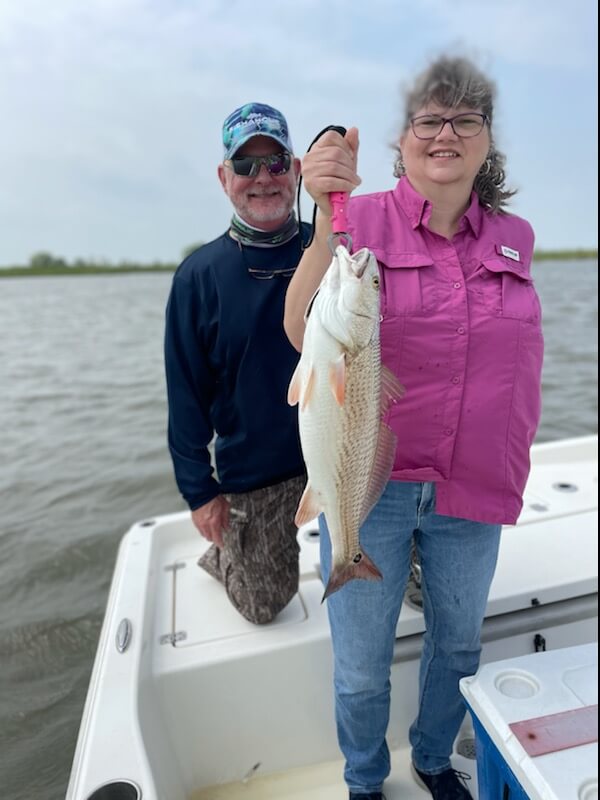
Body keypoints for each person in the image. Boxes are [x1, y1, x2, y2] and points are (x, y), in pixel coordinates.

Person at [284, 56, 544, 800]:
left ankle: (433, 760)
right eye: (429, 120)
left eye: (465, 119)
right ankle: (366, 781)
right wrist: (326, 207)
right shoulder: (354, 221)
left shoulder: (514, 236)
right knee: (362, 662)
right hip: (374, 480)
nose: (446, 133)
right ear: (401, 141)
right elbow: (303, 327)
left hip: (474, 483)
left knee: (458, 644)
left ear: (487, 140)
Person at [164, 102, 310, 625]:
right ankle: (228, 551)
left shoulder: (337, 251)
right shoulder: (198, 277)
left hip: (343, 454)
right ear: (224, 177)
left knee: (399, 589)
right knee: (263, 607)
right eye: (245, 166)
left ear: (297, 170)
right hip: (256, 471)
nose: (262, 178)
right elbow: (185, 397)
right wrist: (200, 492)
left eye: (275, 162)